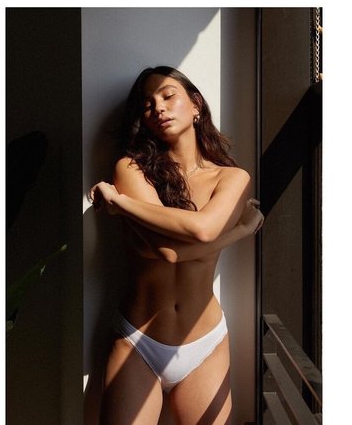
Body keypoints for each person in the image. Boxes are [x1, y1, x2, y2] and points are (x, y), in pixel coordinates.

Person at [90, 66, 264, 424]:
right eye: (148, 104)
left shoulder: (233, 178)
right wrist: (241, 231)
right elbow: (166, 252)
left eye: (168, 96)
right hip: (139, 340)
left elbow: (203, 231)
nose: (158, 108)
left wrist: (121, 204)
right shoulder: (131, 169)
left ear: (196, 104)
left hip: (205, 343)